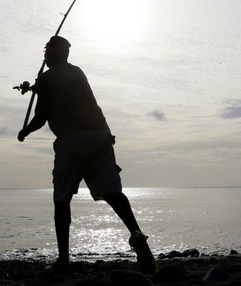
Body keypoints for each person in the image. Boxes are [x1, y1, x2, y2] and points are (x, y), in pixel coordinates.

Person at [18, 36, 156, 275]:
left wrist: (24, 131)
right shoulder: (77, 72)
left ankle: (63, 261)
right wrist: (33, 87)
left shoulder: (48, 77)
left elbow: (40, 117)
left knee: (61, 200)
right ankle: (136, 234)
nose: (44, 56)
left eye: (46, 51)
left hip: (72, 140)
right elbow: (64, 93)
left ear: (51, 53)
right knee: (113, 193)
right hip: (101, 136)